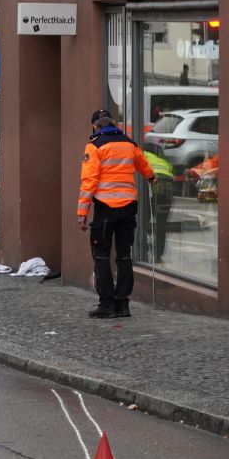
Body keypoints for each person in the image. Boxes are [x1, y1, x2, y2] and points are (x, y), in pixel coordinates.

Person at [77, 109, 155, 319]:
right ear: (113, 123)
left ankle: (106, 305)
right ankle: (123, 304)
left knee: (101, 255)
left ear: (95, 126)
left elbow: (89, 182)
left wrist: (82, 212)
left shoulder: (94, 147)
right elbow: (143, 165)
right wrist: (152, 178)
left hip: (105, 208)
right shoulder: (129, 143)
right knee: (124, 256)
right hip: (129, 206)